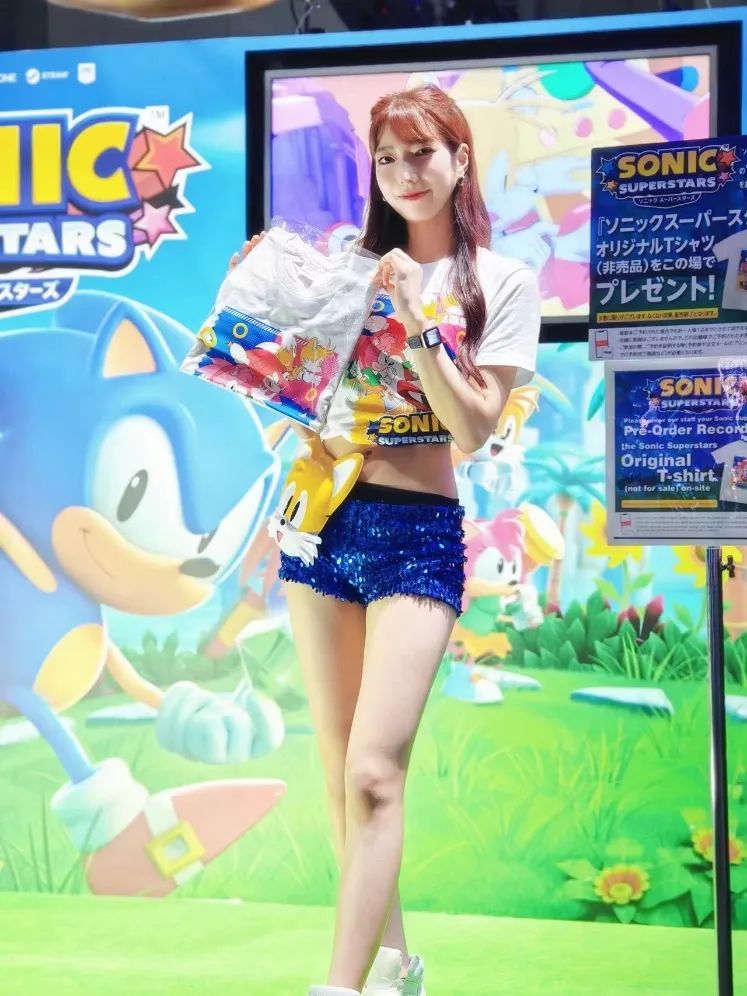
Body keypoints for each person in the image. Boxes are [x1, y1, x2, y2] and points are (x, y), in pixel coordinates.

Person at [231, 84, 541, 996]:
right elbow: (280, 383)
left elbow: (473, 426)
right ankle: (396, 966)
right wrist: (259, 300)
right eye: (387, 158)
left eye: (422, 153)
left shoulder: (500, 282)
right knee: (339, 772)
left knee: (374, 771)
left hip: (415, 536)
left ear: (460, 159)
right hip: (320, 523)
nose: (405, 173)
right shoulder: (343, 267)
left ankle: (338, 987)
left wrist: (416, 319)